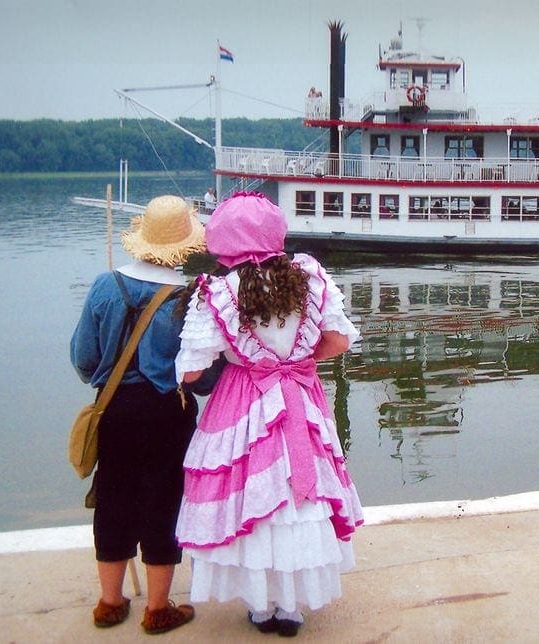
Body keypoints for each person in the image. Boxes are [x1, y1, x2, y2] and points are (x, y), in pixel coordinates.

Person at [174, 192, 363, 637]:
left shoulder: (217, 292)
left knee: (255, 498)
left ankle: (261, 608)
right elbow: (338, 341)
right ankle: (292, 608)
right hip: (301, 394)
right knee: (299, 498)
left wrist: (243, 360)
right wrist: (296, 358)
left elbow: (192, 369)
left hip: (244, 400)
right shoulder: (310, 276)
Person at [70, 195, 205, 635]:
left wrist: (108, 377)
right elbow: (200, 375)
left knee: (111, 497)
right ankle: (158, 609)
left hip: (115, 408)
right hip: (168, 412)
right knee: (163, 502)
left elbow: (83, 358)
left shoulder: (105, 285)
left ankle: (110, 603)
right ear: (184, 244)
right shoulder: (189, 297)